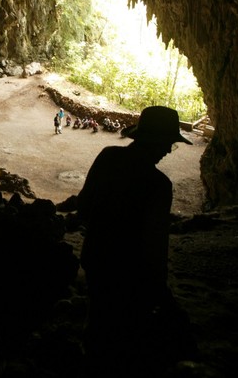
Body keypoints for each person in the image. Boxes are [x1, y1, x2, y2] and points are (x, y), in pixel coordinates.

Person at [77, 106, 198, 376]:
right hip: (131, 275)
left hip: (96, 258)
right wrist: (161, 292)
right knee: (125, 339)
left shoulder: (108, 157)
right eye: (168, 143)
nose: (168, 151)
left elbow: (84, 207)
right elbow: (154, 245)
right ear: (156, 141)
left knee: (97, 324)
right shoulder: (158, 185)